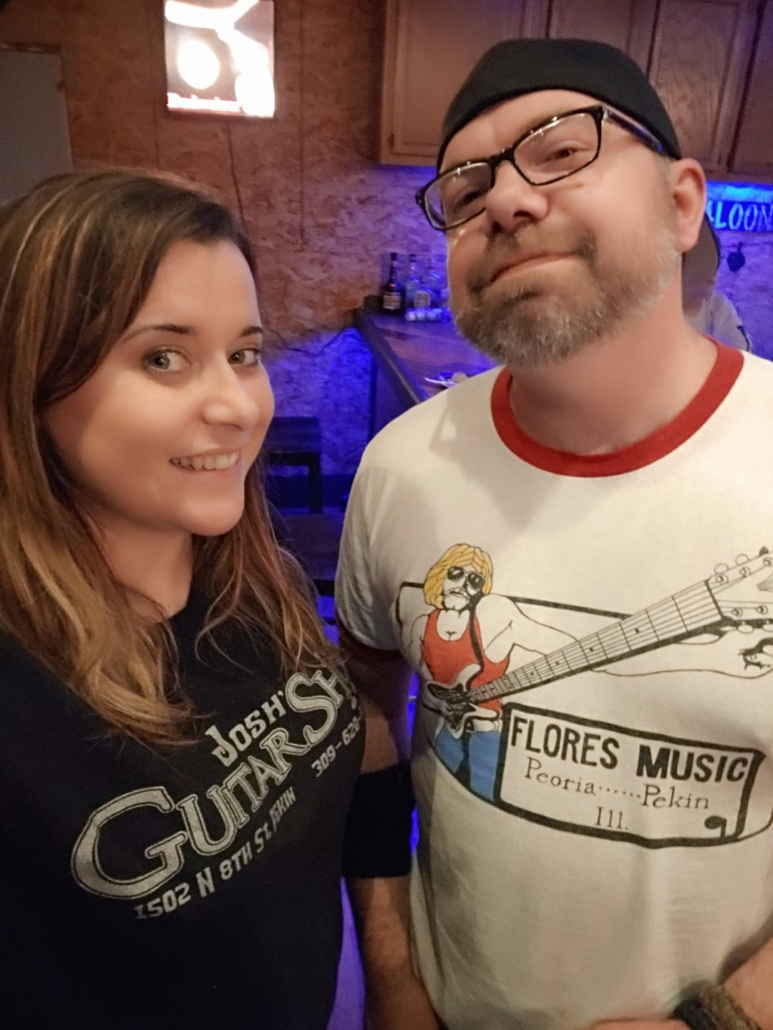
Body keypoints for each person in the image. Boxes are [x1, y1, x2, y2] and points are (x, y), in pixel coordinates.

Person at [336, 38, 773, 1030]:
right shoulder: (399, 466)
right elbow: (368, 715)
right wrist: (393, 973)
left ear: (680, 203)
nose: (502, 199)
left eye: (561, 149)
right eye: (464, 187)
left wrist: (724, 1017)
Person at [0, 169, 368, 1027]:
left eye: (244, 354)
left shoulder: (255, 579)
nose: (238, 406)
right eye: (162, 358)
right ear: (30, 383)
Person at [683, 215, 753, 350]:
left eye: (714, 265)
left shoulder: (718, 306)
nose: (712, 275)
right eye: (702, 265)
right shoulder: (658, 309)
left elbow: (742, 350)